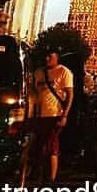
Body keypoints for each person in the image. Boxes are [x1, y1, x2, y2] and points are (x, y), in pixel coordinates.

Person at [30, 49, 74, 183]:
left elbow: (70, 94)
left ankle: (51, 178)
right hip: (39, 115)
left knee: (51, 145)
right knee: (40, 145)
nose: (47, 58)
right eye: (46, 56)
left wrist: (65, 115)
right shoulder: (38, 72)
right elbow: (34, 93)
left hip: (55, 114)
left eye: (50, 56)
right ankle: (40, 174)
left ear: (57, 57)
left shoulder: (64, 72)